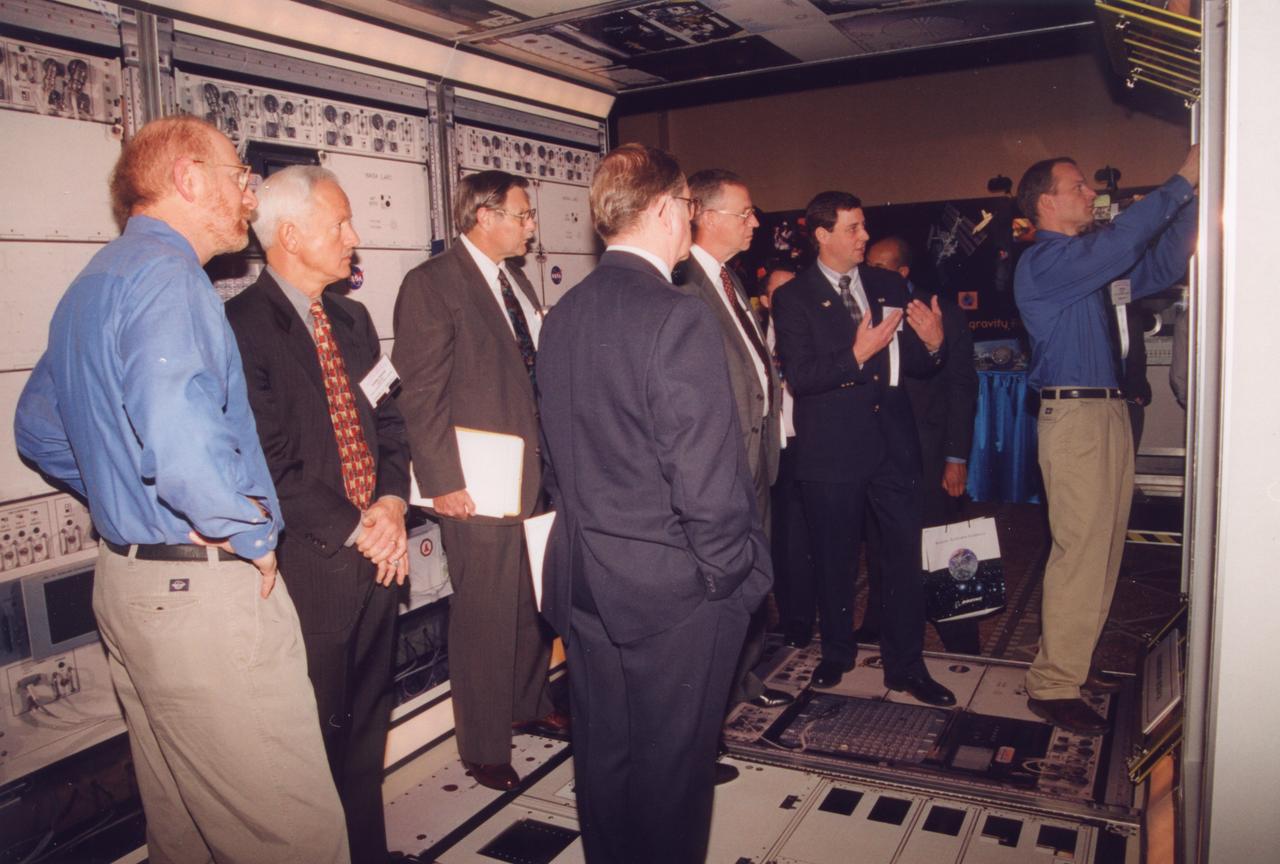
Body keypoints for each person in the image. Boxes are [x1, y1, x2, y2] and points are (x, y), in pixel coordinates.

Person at [14, 116, 349, 864]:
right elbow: (179, 430)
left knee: (187, 829)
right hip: (201, 602)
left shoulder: (94, 283)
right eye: (238, 175)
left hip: (129, 585)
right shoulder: (171, 279)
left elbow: (37, 428)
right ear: (188, 180)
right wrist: (246, 530)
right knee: (290, 833)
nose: (248, 194)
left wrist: (126, 486)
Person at [536, 143, 771, 864]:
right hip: (672, 591)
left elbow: (561, 458)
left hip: (585, 581)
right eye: (689, 212)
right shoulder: (677, 315)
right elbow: (704, 477)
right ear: (669, 210)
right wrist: (729, 574)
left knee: (605, 758)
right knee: (675, 773)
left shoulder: (563, 314)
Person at [224, 166, 410, 864]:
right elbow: (270, 462)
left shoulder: (354, 320)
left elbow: (392, 423)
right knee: (313, 746)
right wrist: (361, 526)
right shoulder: (240, 328)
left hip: (380, 557)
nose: (354, 239)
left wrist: (391, 503)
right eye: (341, 224)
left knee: (368, 730)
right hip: (313, 568)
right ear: (292, 236)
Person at [1014, 147, 1198, 734]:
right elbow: (1120, 245)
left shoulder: (1089, 267)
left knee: (1103, 549)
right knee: (1082, 552)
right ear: (1046, 202)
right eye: (1077, 186)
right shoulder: (1044, 262)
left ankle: (1071, 664)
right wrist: (1179, 181)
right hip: (1077, 422)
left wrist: (1193, 199)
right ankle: (1053, 683)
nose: (1089, 191)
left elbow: (1163, 265)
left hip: (1106, 415)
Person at [392, 170, 560, 791]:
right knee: (486, 614)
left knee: (528, 601)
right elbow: (421, 394)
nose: (530, 225)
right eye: (521, 214)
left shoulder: (510, 279)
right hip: (475, 483)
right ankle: (485, 746)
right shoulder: (432, 285)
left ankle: (527, 702)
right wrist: (442, 482)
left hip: (529, 475)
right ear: (484, 216)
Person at [771, 191, 955, 706]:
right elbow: (802, 379)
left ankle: (907, 667)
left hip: (892, 444)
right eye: (852, 229)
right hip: (831, 449)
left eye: (864, 227)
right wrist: (856, 354)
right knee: (834, 559)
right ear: (822, 235)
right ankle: (837, 653)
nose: (864, 238)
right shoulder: (793, 297)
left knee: (901, 559)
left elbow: (917, 363)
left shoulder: (886, 282)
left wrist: (935, 343)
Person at [677, 169, 790, 710]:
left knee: (752, 578)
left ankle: (744, 678)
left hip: (756, 458)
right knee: (720, 587)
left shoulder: (731, 279)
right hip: (722, 465)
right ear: (705, 214)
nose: (755, 222)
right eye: (744, 213)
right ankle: (714, 697)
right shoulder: (683, 286)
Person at [859, 236, 981, 655]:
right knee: (878, 541)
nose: (869, 274)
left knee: (939, 541)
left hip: (930, 451)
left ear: (903, 273)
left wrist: (955, 456)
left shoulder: (940, 310)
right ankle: (877, 620)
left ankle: (960, 634)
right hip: (878, 449)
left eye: (879, 267)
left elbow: (962, 388)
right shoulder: (863, 310)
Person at [757, 261, 815, 649]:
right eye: (779, 292)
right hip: (764, 448)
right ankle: (779, 617)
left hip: (800, 446)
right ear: (764, 300)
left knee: (797, 541)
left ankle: (799, 622)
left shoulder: (808, 334)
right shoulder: (753, 334)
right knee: (771, 539)